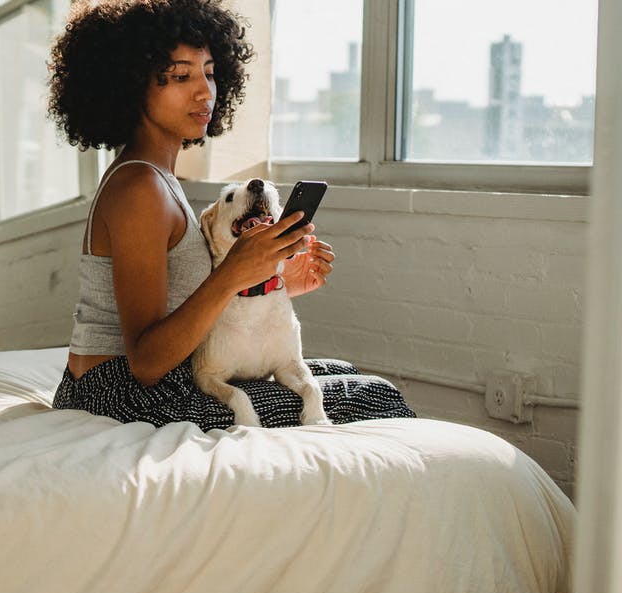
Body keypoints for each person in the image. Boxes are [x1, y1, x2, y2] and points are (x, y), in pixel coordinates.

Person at [47, 0, 415, 429]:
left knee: (342, 372)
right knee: (373, 395)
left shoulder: (157, 177)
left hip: (130, 384)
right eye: (181, 76)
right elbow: (147, 361)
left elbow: (183, 306)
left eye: (209, 72)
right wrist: (233, 274)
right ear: (130, 87)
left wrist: (271, 281)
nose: (204, 91)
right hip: (121, 395)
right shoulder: (139, 189)